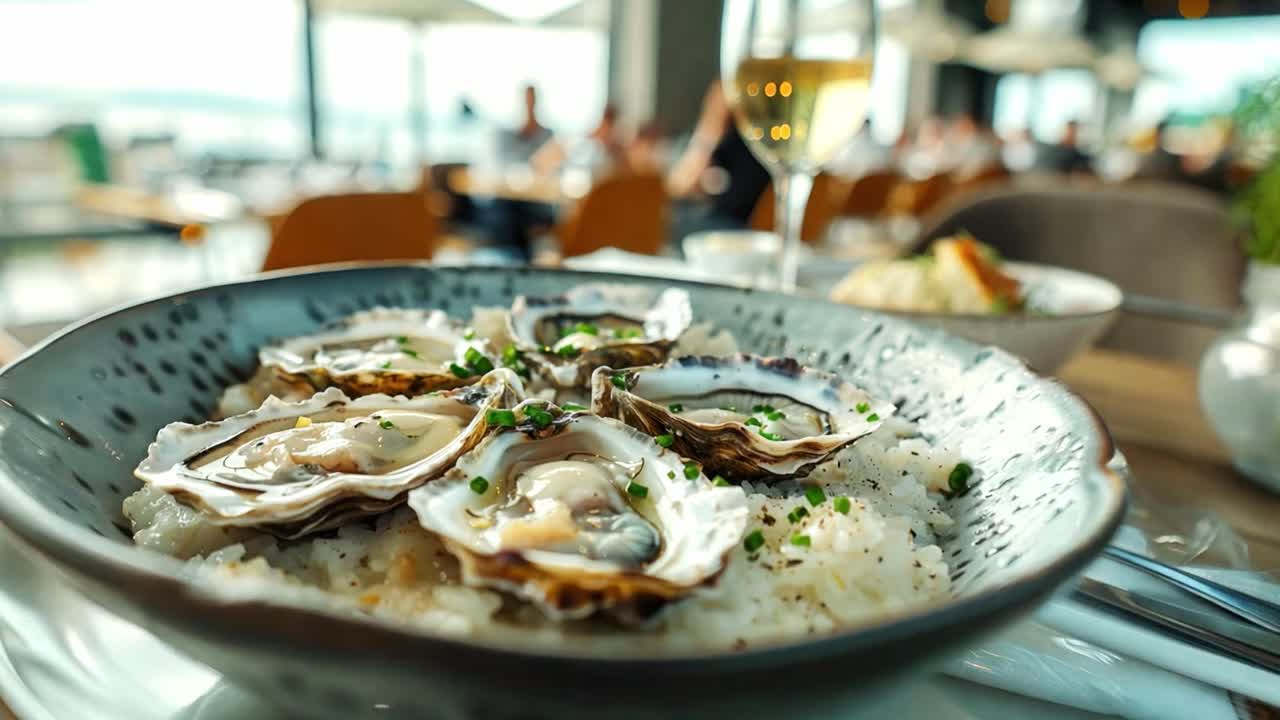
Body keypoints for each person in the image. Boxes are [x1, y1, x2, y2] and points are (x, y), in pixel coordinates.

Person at [668, 82, 771, 242]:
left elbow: (681, 185)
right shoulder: (769, 137)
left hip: (733, 229)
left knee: (669, 223)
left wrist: (709, 124)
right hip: (764, 234)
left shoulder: (730, 135)